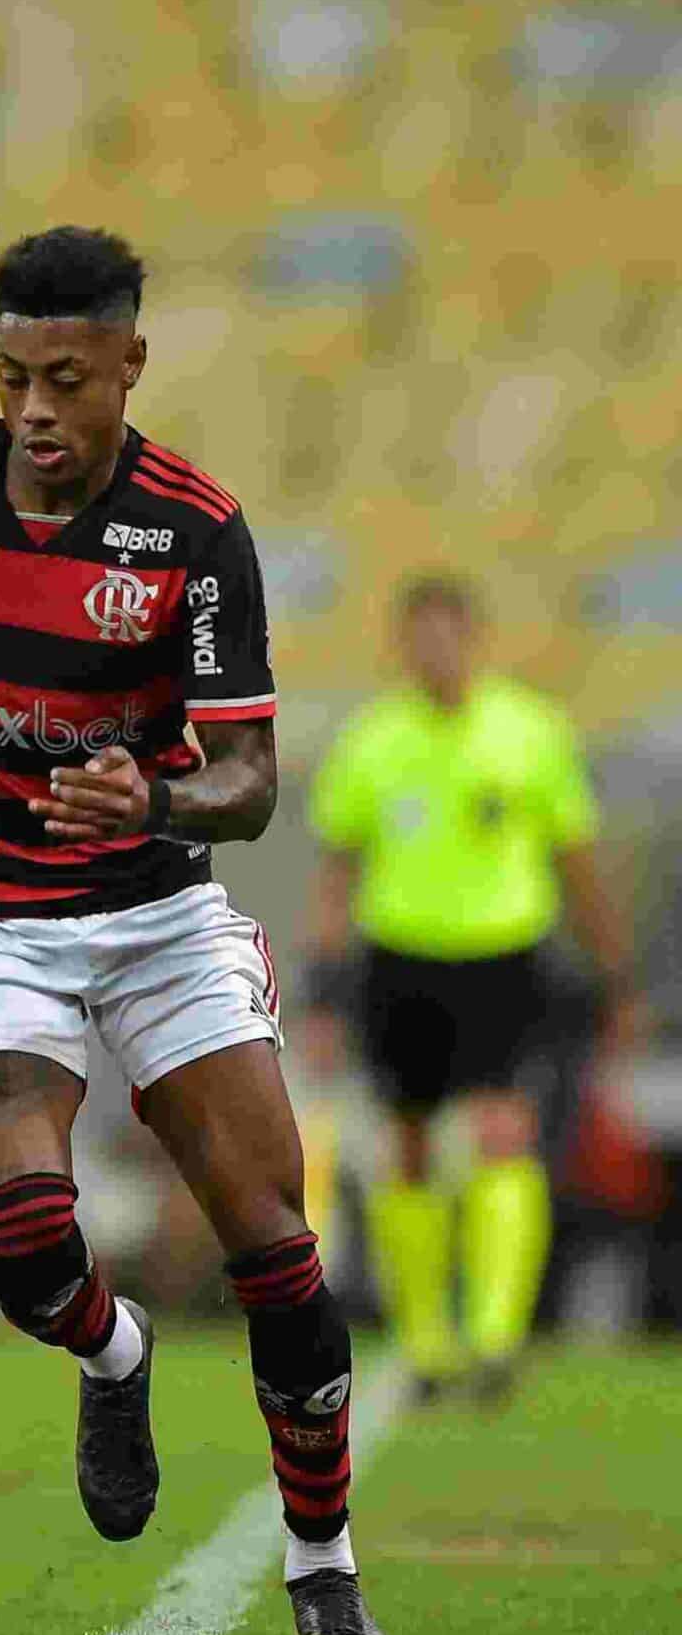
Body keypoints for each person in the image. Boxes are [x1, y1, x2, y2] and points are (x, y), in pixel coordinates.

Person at [0, 227, 384, 1635]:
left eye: (64, 376)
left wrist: (157, 792)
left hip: (159, 915)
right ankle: (114, 1347)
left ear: (128, 364)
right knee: (16, 1234)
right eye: (11, 377)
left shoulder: (194, 530)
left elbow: (251, 780)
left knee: (275, 1245)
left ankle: (320, 1560)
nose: (35, 408)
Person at [307, 573, 635, 1405]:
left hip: (505, 960)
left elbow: (578, 860)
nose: (435, 651)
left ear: (475, 638)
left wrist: (616, 974)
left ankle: (494, 1336)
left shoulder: (530, 732)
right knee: (410, 1148)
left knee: (502, 1132)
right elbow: (337, 873)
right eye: (420, 635)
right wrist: (319, 989)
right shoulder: (373, 741)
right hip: (401, 961)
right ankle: (425, 1341)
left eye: (449, 634)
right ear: (403, 644)